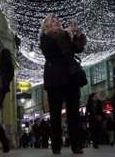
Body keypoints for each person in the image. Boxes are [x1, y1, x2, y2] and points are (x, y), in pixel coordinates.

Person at [40, 14, 87, 154]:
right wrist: (66, 33)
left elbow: (77, 49)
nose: (56, 23)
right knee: (55, 114)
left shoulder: (64, 36)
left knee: (74, 112)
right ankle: (56, 145)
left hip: (70, 77)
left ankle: (76, 144)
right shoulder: (45, 38)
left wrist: (78, 35)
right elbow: (51, 52)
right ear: (47, 25)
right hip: (54, 79)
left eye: (57, 21)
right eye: (53, 21)